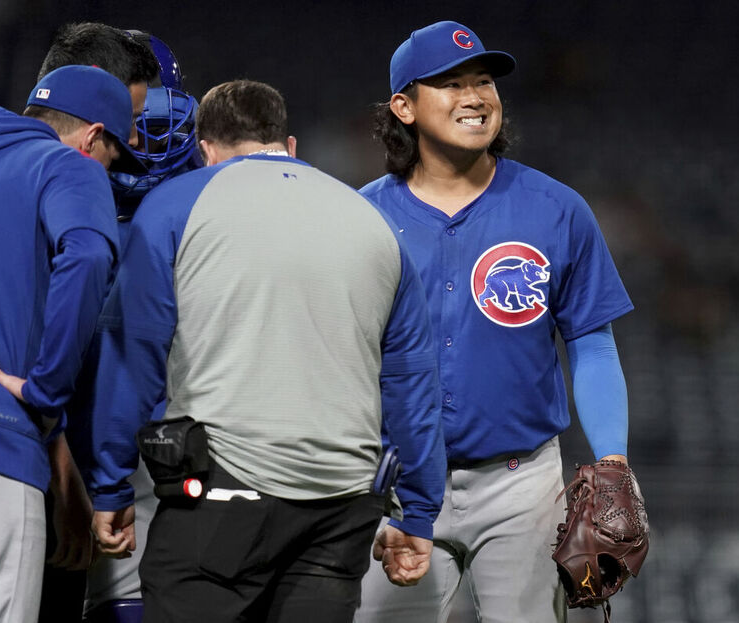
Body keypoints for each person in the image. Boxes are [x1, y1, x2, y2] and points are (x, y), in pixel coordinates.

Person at [85, 79, 446, 622]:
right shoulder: (372, 220)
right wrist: (417, 512)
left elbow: (133, 353)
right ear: (289, 145)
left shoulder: (176, 205)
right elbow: (413, 382)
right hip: (344, 506)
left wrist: (110, 486)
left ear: (206, 150)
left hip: (224, 492)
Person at [354, 21, 635, 623]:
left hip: (521, 485)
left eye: (484, 81)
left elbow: (593, 346)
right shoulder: (360, 217)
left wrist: (612, 459)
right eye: (451, 84)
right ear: (404, 106)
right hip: (395, 482)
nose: (476, 96)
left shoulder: (556, 209)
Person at [0, 64, 137, 623]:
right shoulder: (65, 164)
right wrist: (47, 391)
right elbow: (88, 255)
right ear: (93, 136)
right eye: (113, 157)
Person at [31, 24, 162, 623]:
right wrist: (49, 418)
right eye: (125, 119)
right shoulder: (73, 174)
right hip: (26, 454)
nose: (134, 138)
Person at [74, 31, 202, 623]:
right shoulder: (48, 191)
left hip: (165, 454)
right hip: (49, 443)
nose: (138, 139)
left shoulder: (201, 203)